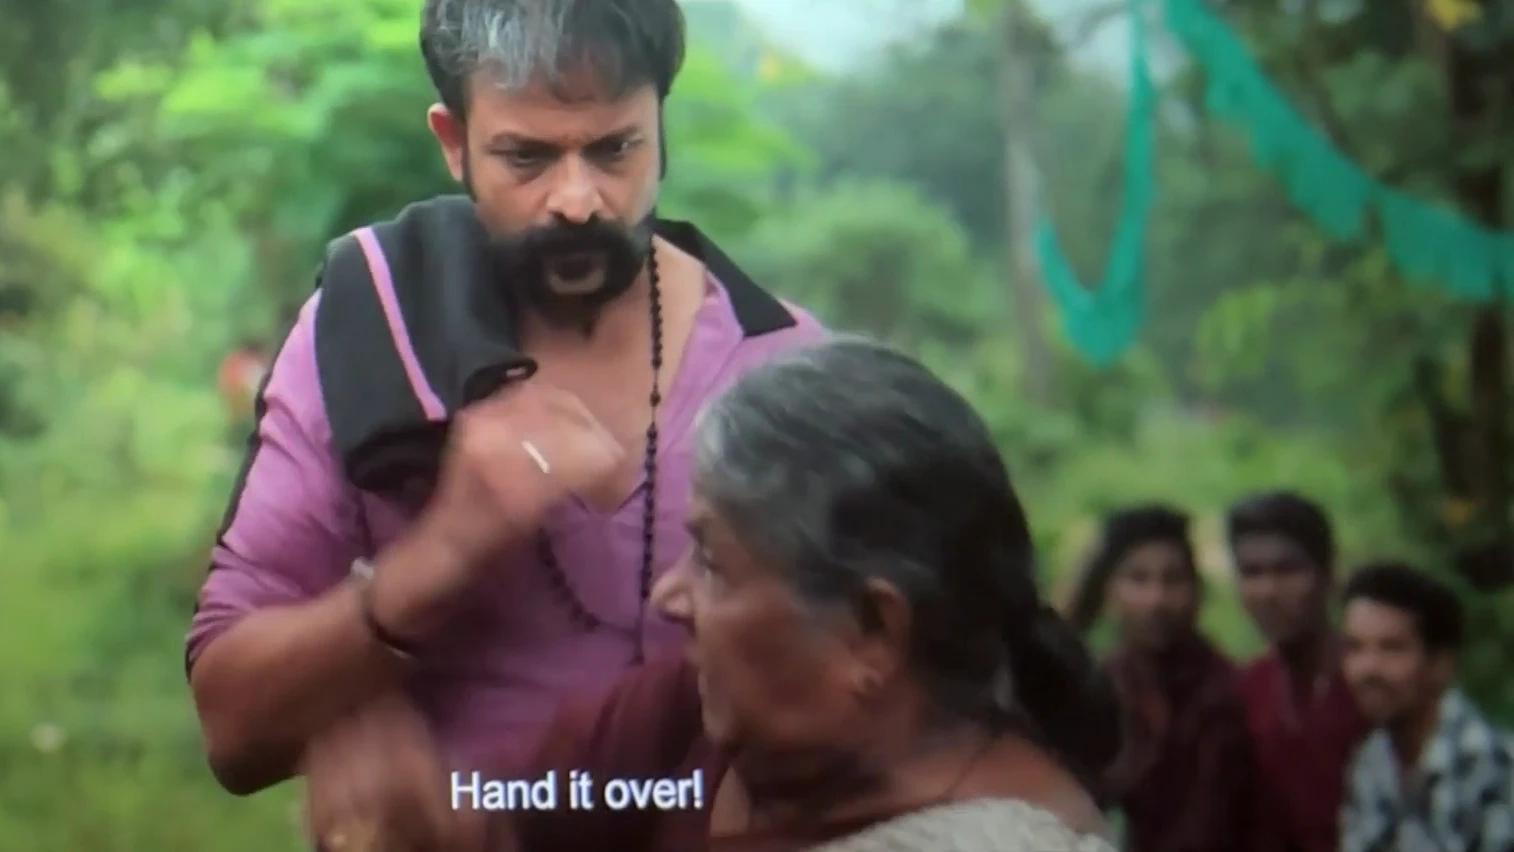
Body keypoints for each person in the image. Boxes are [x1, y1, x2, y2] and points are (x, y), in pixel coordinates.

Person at [183, 0, 821, 846]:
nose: (578, 200)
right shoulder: (370, 335)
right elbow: (232, 730)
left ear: (661, 127)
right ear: (454, 142)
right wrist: (437, 559)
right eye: (527, 156)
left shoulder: (785, 370)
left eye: (616, 149)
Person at [486, 337, 1123, 851]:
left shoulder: (1007, 839)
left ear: (872, 631)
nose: (668, 597)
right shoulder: (686, 720)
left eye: (711, 561)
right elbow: (495, 820)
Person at [1066, 505, 1261, 852]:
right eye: (1138, 579)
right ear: (1110, 591)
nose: (1156, 600)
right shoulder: (1101, 688)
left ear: (1197, 591)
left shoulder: (1229, 692)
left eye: (1173, 580)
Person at [1226, 492, 1371, 852]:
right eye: (1252, 573)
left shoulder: (1371, 681)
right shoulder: (1247, 689)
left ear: (1328, 575)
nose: (1268, 591)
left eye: (1287, 570)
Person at [1337, 561, 1513, 852]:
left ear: (1441, 665)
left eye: (1391, 648)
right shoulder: (1372, 761)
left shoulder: (1493, 767)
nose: (1367, 668)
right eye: (1355, 648)